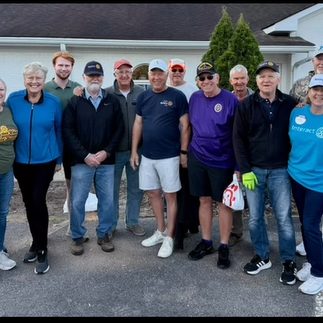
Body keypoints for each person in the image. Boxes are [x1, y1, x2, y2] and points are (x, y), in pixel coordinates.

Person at [233, 60, 298, 285]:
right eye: (262, 76)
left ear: (278, 79)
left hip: (281, 170)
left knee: (283, 218)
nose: (266, 79)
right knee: (255, 218)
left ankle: (289, 260)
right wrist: (245, 169)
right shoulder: (246, 105)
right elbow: (238, 140)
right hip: (255, 171)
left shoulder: (292, 104)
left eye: (271, 75)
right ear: (256, 80)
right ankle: (262, 256)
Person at [62, 61, 124, 256]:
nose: (94, 79)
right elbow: (68, 131)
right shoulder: (76, 101)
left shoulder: (111, 100)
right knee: (78, 201)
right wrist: (85, 155)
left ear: (103, 78)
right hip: (81, 162)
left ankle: (104, 234)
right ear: (84, 78)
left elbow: (119, 130)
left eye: (98, 75)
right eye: (91, 76)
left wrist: (106, 152)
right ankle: (77, 236)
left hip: (107, 162)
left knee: (106, 201)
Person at [130, 58, 190, 258]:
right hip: (147, 155)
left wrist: (183, 152)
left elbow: (185, 126)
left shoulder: (178, 96)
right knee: (153, 193)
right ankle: (160, 230)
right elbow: (138, 124)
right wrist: (133, 151)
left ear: (167, 75)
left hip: (170, 156)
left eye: (160, 73)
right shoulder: (144, 96)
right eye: (153, 73)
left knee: (170, 196)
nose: (156, 77)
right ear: (149, 76)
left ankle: (170, 237)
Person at [7, 62, 63, 275]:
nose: (34, 81)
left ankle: (42, 249)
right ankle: (35, 241)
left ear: (44, 80)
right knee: (29, 203)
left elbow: (58, 129)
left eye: (38, 78)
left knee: (38, 200)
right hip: (20, 162)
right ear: (24, 80)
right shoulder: (13, 99)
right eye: (30, 78)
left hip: (45, 161)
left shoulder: (53, 102)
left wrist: (59, 159)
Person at [187, 62, 239, 269]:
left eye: (210, 77)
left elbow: (238, 134)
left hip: (223, 159)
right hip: (198, 157)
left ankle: (224, 245)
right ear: (198, 82)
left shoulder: (230, 99)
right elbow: (190, 127)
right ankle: (207, 241)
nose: (206, 81)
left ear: (218, 78)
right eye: (202, 78)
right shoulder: (194, 98)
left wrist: (238, 165)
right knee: (204, 200)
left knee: (223, 203)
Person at [44, 50, 90, 238]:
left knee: (73, 190)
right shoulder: (44, 88)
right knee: (42, 190)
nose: (64, 68)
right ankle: (42, 231)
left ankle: (73, 226)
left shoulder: (79, 88)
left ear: (72, 68)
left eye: (67, 65)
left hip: (72, 146)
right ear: (54, 66)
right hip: (50, 145)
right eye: (60, 65)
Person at [288, 74, 323, 295]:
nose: (319, 93)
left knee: (310, 226)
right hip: (296, 176)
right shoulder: (297, 112)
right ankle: (312, 261)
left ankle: (319, 273)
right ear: (308, 92)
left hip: (319, 183)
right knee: (305, 223)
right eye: (315, 89)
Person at [105, 58, 145, 236]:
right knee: (111, 191)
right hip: (113, 152)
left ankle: (133, 222)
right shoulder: (106, 93)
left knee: (136, 189)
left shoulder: (141, 92)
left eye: (127, 72)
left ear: (131, 74)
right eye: (120, 72)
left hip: (136, 151)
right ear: (115, 74)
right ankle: (111, 225)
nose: (124, 75)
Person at [167, 58, 199, 250]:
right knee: (173, 191)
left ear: (184, 72)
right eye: (174, 70)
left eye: (180, 70)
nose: (177, 73)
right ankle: (178, 229)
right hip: (168, 148)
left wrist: (185, 150)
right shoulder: (163, 88)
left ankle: (188, 225)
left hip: (188, 146)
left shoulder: (193, 91)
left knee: (187, 190)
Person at [228, 64, 254, 247]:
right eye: (235, 79)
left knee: (255, 197)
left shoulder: (258, 98)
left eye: (242, 78)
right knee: (234, 193)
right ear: (230, 81)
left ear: (248, 79)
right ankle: (235, 232)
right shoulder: (227, 99)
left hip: (255, 155)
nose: (239, 82)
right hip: (231, 153)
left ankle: (258, 235)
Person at [0, 78, 18, 271]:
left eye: (1, 89)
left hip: (6, 171)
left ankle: (0, 248)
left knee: (2, 213)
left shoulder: (7, 110)